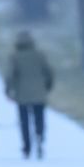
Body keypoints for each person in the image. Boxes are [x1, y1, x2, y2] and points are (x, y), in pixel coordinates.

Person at [5, 30, 54, 159]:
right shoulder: (40, 55)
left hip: (22, 95)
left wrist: (8, 90)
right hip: (39, 93)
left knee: (24, 122)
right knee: (39, 119)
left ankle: (27, 147)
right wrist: (47, 87)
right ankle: (39, 137)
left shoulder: (14, 57)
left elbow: (10, 76)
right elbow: (49, 72)